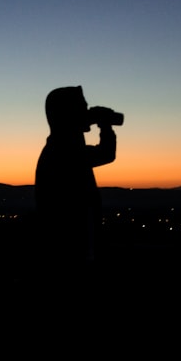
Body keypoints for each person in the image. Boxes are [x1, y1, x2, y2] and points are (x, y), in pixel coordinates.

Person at [34, 86, 118, 273]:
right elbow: (106, 153)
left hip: (69, 249)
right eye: (82, 108)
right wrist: (105, 125)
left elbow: (104, 154)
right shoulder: (63, 150)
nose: (87, 113)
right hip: (70, 252)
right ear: (67, 113)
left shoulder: (61, 147)